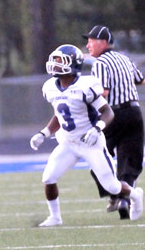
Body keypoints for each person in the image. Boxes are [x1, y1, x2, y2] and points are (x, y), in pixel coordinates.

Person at [30, 44, 143, 227]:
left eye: (60, 61)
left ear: (73, 64)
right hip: (68, 143)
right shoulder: (50, 87)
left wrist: (97, 128)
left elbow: (107, 112)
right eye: (55, 61)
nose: (55, 65)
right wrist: (44, 133)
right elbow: (60, 115)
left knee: (112, 186)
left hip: (90, 142)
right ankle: (55, 217)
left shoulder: (86, 86)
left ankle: (135, 194)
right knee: (49, 178)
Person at [83, 25, 145, 219]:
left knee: (98, 158)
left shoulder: (100, 63)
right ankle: (124, 199)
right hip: (134, 113)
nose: (87, 45)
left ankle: (116, 195)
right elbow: (140, 80)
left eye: (91, 41)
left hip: (112, 115)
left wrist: (83, 97)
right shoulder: (124, 58)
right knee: (129, 160)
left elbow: (104, 92)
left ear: (102, 42)